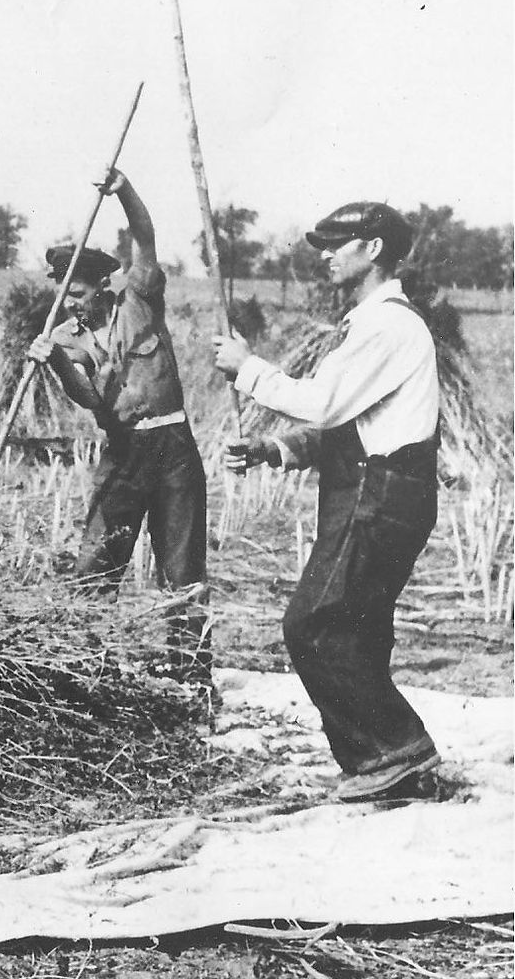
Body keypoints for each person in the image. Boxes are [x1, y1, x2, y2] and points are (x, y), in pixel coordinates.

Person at [214, 202, 441, 802]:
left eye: (337, 244)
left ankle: (396, 749)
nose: (324, 255)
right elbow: (350, 424)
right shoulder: (375, 323)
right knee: (356, 632)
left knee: (314, 624)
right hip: (378, 490)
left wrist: (248, 370)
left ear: (371, 249)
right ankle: (382, 768)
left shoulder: (389, 325)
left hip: (378, 493)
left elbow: (324, 404)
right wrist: (272, 450)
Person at [28, 167, 209, 683]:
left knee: (182, 569)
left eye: (81, 294)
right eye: (66, 298)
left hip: (173, 446)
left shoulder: (140, 297)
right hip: (124, 453)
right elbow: (88, 398)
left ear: (103, 287)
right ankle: (85, 670)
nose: (74, 306)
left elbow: (145, 236)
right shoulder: (64, 337)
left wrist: (124, 190)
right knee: (96, 562)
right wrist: (56, 362)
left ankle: (190, 678)